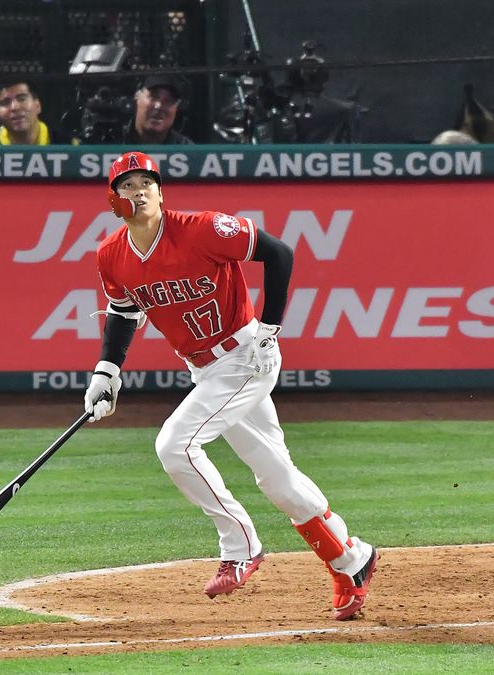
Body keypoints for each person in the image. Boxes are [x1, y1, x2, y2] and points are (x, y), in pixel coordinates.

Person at [82, 151, 378, 620]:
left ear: (161, 191)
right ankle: (350, 558)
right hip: (205, 368)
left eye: (147, 184)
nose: (139, 192)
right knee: (277, 477)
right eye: (128, 186)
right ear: (113, 199)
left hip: (247, 356)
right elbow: (123, 312)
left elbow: (278, 252)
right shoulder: (111, 255)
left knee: (174, 445)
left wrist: (271, 327)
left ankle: (240, 546)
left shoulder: (201, 228)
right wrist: (107, 371)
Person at [0, 81, 69, 145]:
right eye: (5, 103)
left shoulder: (71, 147)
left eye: (22, 99)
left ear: (38, 105)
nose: (15, 107)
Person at [126, 75, 195, 145]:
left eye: (168, 101)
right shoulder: (115, 141)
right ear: (137, 97)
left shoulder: (188, 150)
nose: (158, 106)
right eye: (153, 97)